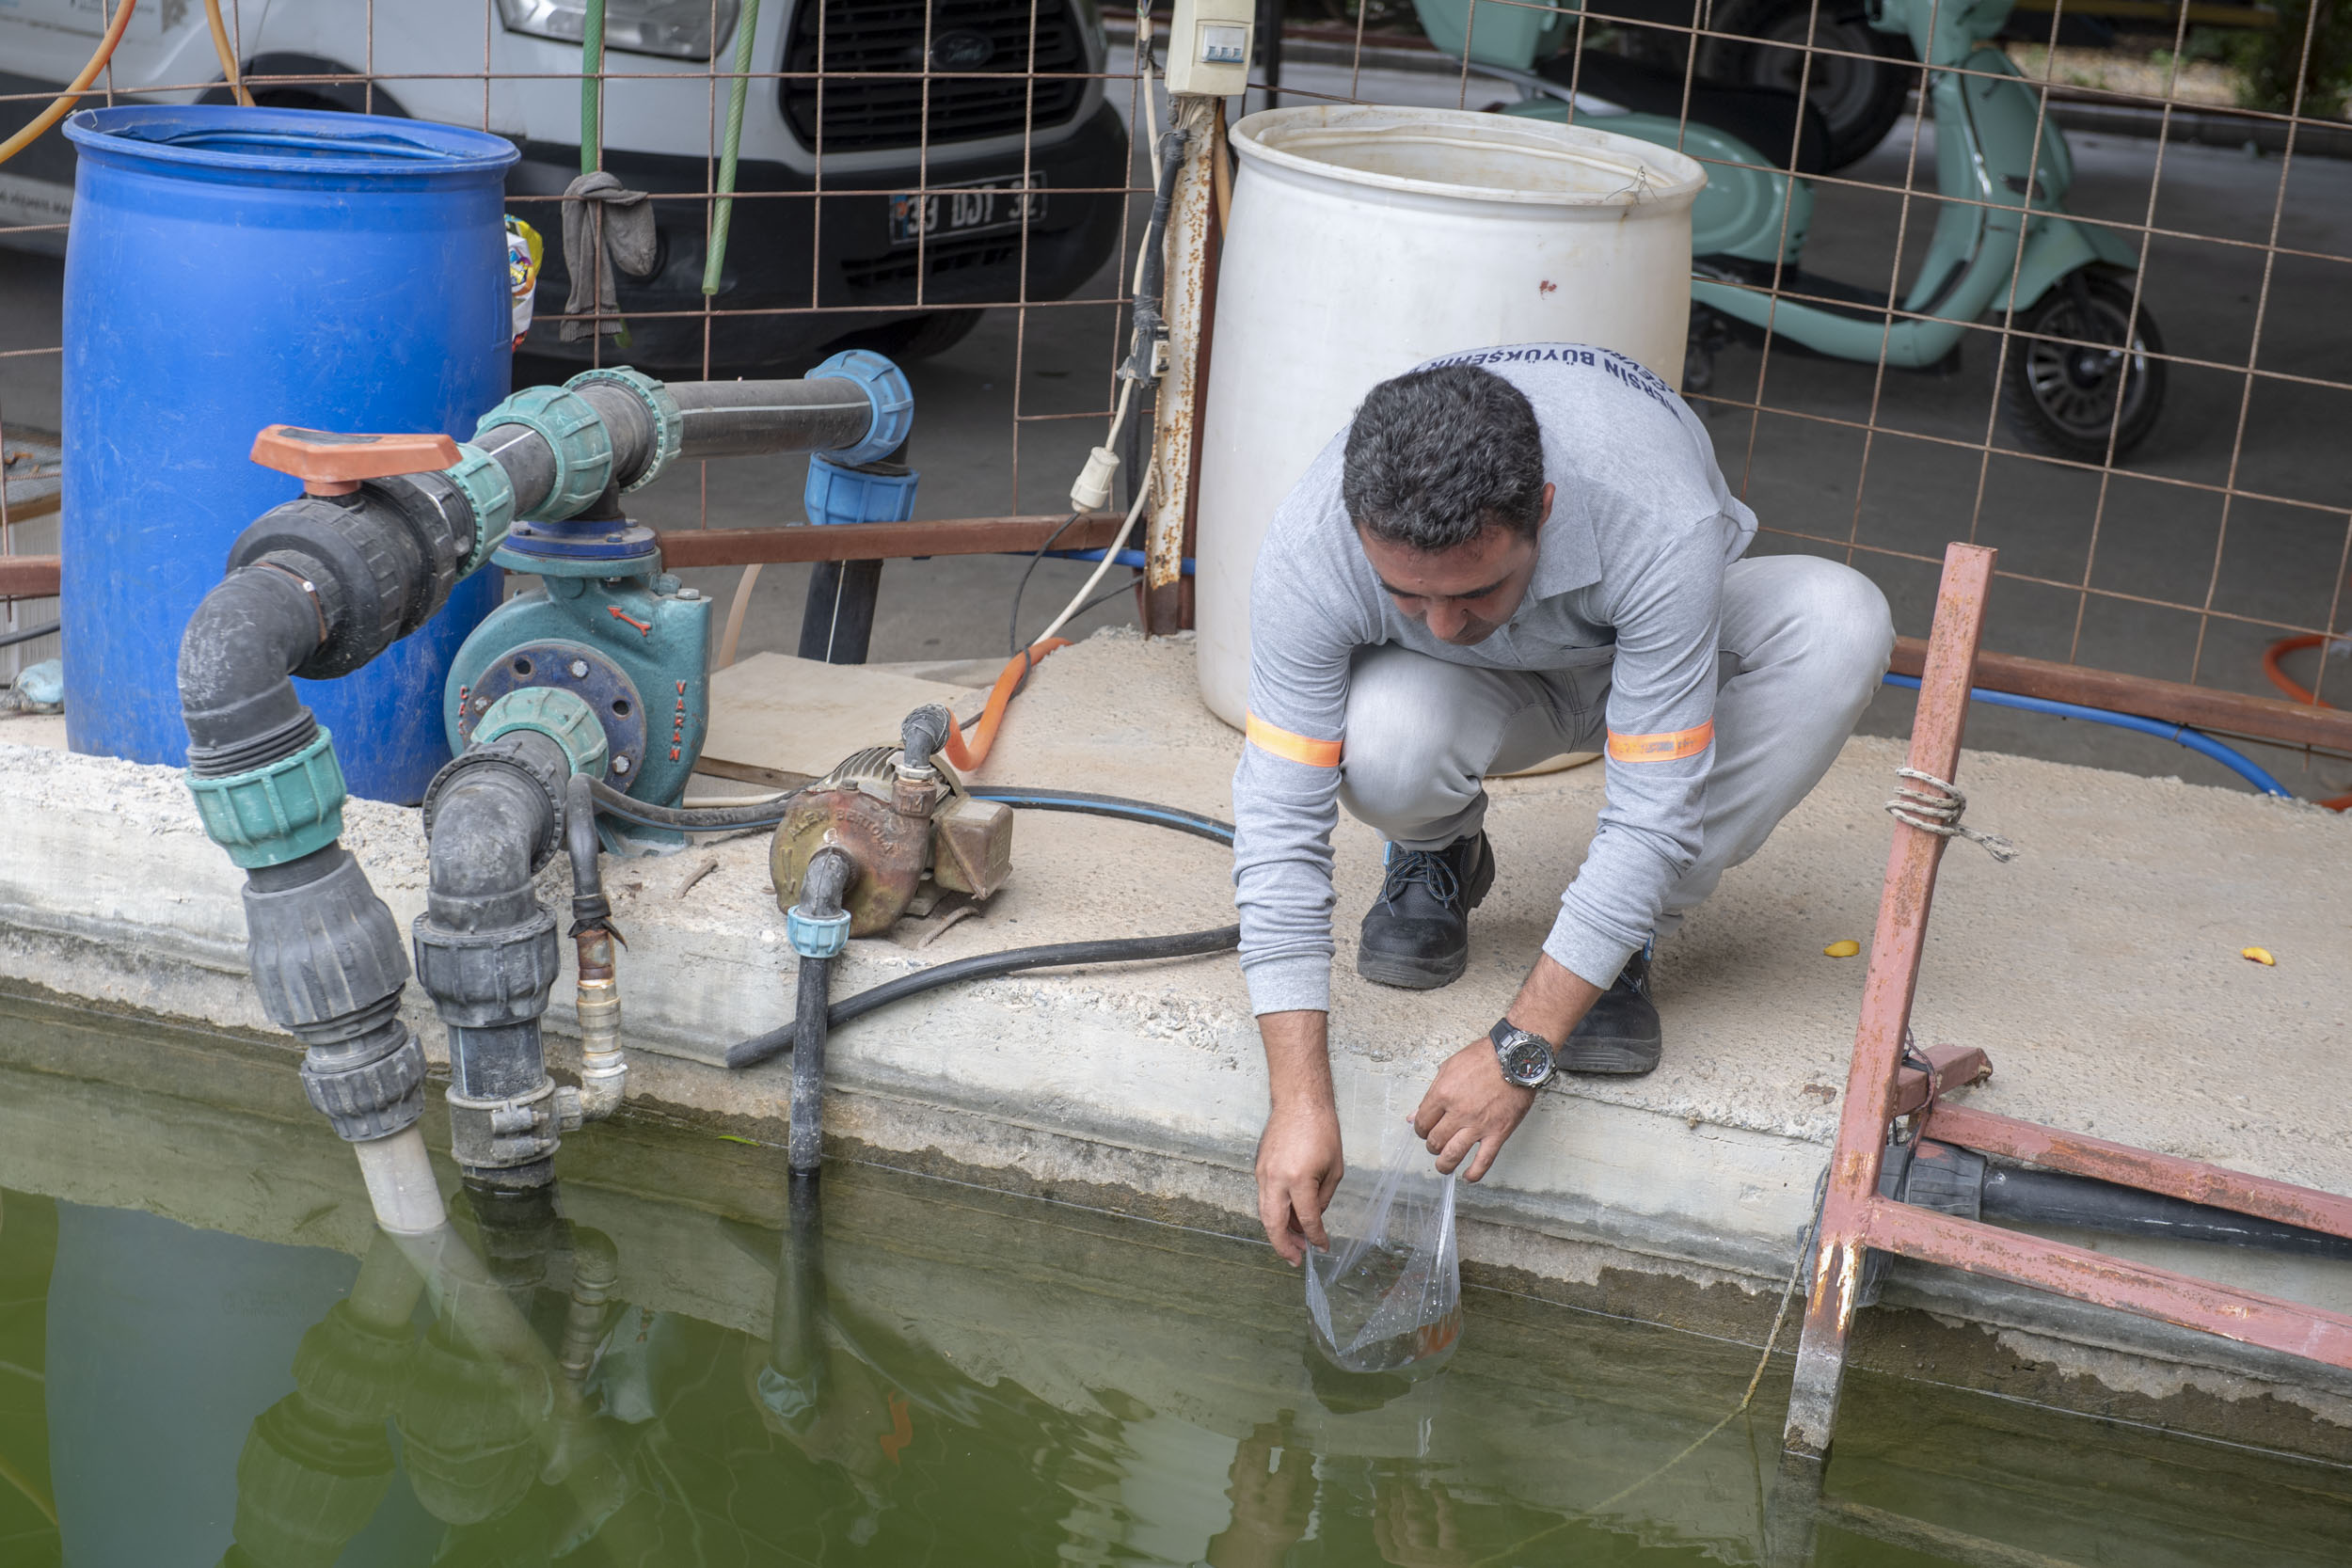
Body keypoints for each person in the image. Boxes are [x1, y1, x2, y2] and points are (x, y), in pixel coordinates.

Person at [1233, 345, 1895, 1263]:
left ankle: (1620, 939)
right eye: (1404, 595)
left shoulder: (1655, 512)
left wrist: (1522, 1044)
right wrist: (1298, 1102)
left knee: (1839, 621)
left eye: (1474, 589)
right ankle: (1436, 849)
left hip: (1655, 658)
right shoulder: (1314, 542)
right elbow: (1277, 820)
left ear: (1541, 509)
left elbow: (1652, 806)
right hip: (1476, 696)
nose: (1439, 623)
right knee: (1380, 737)